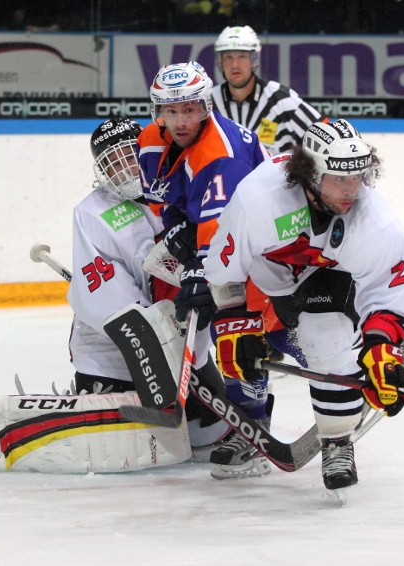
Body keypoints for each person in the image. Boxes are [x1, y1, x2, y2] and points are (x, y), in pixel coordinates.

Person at [0, 118, 228, 473]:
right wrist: (161, 346)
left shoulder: (177, 189)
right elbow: (116, 308)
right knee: (133, 441)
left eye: (130, 156)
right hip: (114, 355)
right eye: (113, 162)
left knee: (213, 435)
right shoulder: (93, 212)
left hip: (181, 344)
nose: (124, 169)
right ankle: (0, 436)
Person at [203, 119, 404, 490]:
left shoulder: (376, 221)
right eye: (340, 179)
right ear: (310, 174)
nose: (352, 190)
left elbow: (385, 293)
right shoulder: (258, 200)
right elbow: (224, 271)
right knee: (238, 351)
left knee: (326, 339)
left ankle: (337, 439)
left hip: (329, 278)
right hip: (265, 279)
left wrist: (382, 347)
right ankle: (249, 424)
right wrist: (236, 323)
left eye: (358, 177)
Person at [137, 60, 272, 478]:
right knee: (230, 330)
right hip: (224, 239)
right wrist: (176, 225)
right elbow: (162, 198)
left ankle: (256, 430)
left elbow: (221, 233)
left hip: (264, 240)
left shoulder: (221, 154)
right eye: (170, 111)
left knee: (240, 330)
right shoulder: (149, 139)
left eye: (190, 109)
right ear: (158, 110)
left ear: (206, 107)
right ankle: (245, 422)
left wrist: (198, 268)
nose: (180, 121)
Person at [211, 25, 322, 154]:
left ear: (254, 59)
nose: (235, 65)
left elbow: (325, 135)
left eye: (242, 56)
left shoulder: (281, 99)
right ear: (220, 61)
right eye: (228, 57)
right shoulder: (208, 102)